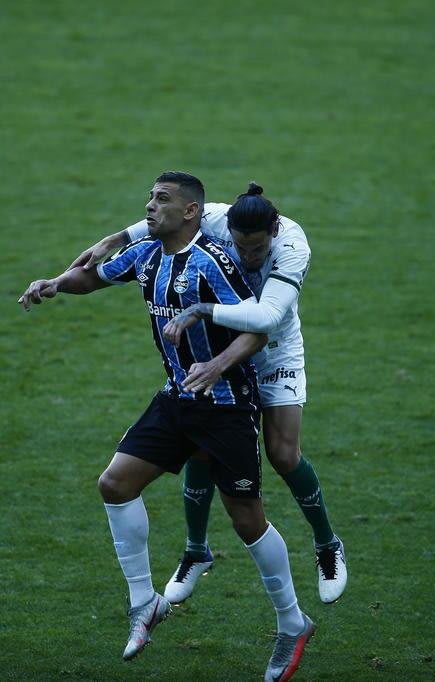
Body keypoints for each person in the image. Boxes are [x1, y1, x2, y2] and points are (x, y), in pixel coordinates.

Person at [19, 172, 314, 681]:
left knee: (247, 521)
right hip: (178, 399)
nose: (150, 207)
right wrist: (56, 284)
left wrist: (216, 365)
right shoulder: (149, 254)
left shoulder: (214, 263)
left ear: (191, 211)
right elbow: (97, 275)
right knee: (114, 484)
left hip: (226, 407)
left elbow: (258, 331)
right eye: (150, 198)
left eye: (162, 200)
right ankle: (145, 603)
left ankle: (292, 623)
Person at [69, 183, 347, 605]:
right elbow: (165, 218)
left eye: (257, 250)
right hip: (222, 345)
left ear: (273, 231)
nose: (250, 257)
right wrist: (116, 239)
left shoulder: (293, 245)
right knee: (200, 439)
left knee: (283, 454)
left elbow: (268, 317)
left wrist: (201, 310)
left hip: (273, 350)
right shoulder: (219, 216)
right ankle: (196, 551)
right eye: (241, 248)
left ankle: (327, 544)